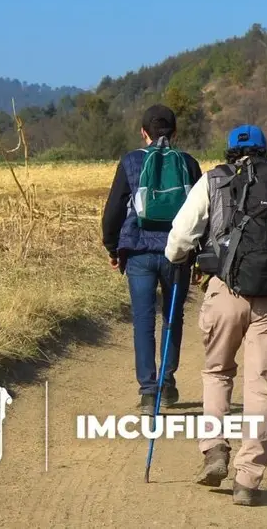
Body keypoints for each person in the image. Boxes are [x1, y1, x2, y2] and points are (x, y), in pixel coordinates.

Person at [166, 125, 267, 507]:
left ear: (230, 151)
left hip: (225, 289)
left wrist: (178, 258)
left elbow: (181, 236)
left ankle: (215, 449)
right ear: (266, 150)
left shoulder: (213, 182)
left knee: (217, 372)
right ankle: (248, 480)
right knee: (261, 386)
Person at [101, 105, 203, 410]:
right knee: (173, 317)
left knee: (143, 319)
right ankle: (167, 383)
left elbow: (114, 209)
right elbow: (200, 212)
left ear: (143, 132)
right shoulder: (187, 162)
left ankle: (147, 391)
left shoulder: (131, 161)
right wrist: (199, 254)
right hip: (178, 252)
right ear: (175, 132)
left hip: (138, 250)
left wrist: (112, 246)